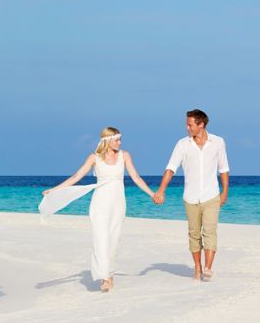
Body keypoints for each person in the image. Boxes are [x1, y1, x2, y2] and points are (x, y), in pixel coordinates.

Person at [42, 127, 155, 292]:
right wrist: (53, 190)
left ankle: (110, 274)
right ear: (108, 140)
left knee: (113, 240)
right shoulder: (94, 158)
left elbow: (136, 177)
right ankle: (104, 278)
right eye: (117, 139)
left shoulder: (125, 156)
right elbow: (76, 177)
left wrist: (152, 194)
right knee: (100, 239)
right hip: (99, 204)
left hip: (118, 203)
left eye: (120, 139)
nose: (120, 142)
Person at [153, 109, 229, 281]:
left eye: (190, 124)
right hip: (190, 197)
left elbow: (223, 169)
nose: (187, 128)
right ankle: (198, 267)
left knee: (210, 231)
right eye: (187, 124)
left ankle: (208, 268)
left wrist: (225, 192)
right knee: (194, 234)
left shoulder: (218, 142)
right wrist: (161, 190)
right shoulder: (182, 145)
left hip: (211, 195)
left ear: (201, 124)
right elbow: (171, 168)